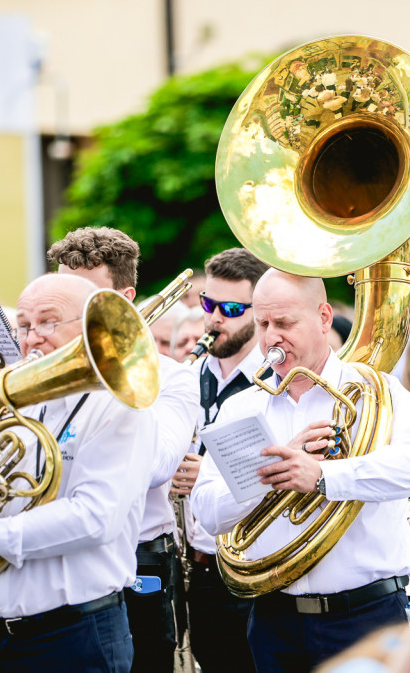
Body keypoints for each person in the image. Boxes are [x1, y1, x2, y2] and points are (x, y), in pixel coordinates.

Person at [191, 269, 410, 673]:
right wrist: (268, 470)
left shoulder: (378, 389)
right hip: (274, 618)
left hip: (365, 614)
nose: (271, 337)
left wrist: (324, 477)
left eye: (285, 323)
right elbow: (209, 512)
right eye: (263, 324)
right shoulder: (242, 407)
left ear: (324, 318)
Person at [0, 273, 157, 672]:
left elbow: (95, 517)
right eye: (25, 326)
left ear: (90, 328)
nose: (32, 338)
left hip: (72, 636)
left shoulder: (120, 406)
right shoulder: (15, 401)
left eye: (47, 322)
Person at [47, 227, 200, 673]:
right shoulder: (40, 373)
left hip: (137, 563)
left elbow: (154, 468)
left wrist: (119, 374)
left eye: (86, 299)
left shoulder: (172, 379)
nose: (70, 314)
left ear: (126, 300)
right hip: (53, 561)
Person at [170, 247, 269, 673]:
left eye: (231, 308)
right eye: (208, 304)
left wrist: (207, 473)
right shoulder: (185, 378)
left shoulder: (275, 382)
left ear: (258, 311)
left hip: (255, 573)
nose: (214, 319)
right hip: (198, 569)